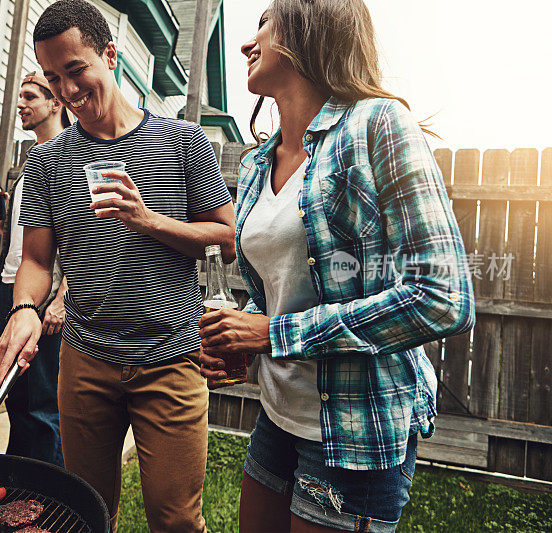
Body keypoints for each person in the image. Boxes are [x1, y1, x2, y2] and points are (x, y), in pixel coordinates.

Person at [198, 1, 476, 531]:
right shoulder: (258, 163)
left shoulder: (378, 124)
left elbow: (444, 298)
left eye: (263, 23)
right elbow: (279, 288)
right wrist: (244, 337)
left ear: (308, 30)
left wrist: (273, 334)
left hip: (356, 436)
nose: (245, 44)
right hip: (277, 418)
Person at [0, 1, 235, 530]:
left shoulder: (184, 141)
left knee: (175, 518)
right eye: (54, 78)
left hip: (169, 355)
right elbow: (37, 259)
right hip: (85, 360)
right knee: (86, 511)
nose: (67, 91)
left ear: (109, 54)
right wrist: (26, 309)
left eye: (75, 70)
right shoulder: (46, 161)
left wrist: (148, 220)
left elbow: (225, 237)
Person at [0, 71, 69, 466]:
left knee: (45, 405)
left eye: (31, 96)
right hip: (11, 290)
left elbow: (83, 237)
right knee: (16, 398)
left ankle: (51, 493)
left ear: (57, 103)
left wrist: (62, 298)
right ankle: (16, 486)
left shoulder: (69, 158)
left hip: (47, 299)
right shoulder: (28, 162)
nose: (20, 104)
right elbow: (27, 241)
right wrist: (1, 219)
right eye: (19, 97)